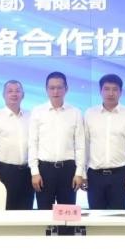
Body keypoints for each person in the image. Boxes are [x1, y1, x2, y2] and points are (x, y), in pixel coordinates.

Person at [29, 72, 85, 209]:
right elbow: (32, 143)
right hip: (44, 170)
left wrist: (79, 173)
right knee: (44, 213)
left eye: (59, 87)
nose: (56, 91)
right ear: (46, 89)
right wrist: (35, 172)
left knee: (67, 213)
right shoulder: (37, 111)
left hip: (68, 170)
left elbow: (80, 146)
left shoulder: (75, 112)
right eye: (52, 88)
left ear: (66, 89)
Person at [84, 74, 125, 209]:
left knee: (119, 217)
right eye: (106, 89)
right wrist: (82, 173)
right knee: (95, 217)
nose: (110, 93)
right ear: (100, 91)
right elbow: (84, 146)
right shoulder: (89, 114)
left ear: (121, 92)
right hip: (95, 176)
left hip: (120, 175)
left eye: (115, 89)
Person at [0, 80, 33, 210]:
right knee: (4, 211)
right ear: (3, 95)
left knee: (26, 212)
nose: (14, 94)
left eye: (17, 91)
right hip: (5, 172)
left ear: (23, 95)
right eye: (10, 91)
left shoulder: (31, 116)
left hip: (28, 173)